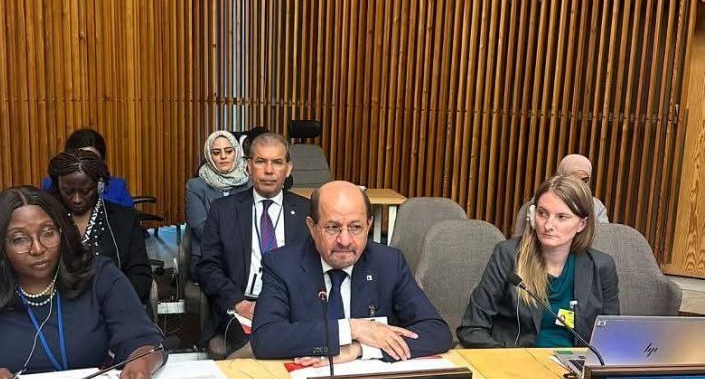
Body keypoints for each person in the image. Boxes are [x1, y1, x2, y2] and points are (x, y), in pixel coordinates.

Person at [0, 187, 164, 379]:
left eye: (48, 233)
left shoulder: (98, 275)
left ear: (62, 232)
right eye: (19, 239)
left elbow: (146, 341)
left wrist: (142, 363)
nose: (37, 249)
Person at [251, 181, 452, 363]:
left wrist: (360, 349)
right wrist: (352, 329)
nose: (345, 241)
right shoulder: (282, 264)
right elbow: (265, 339)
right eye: (333, 227)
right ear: (312, 227)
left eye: (356, 227)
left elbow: (437, 333)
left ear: (368, 226)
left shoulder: (388, 263)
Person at [457, 175, 619, 348]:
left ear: (582, 224)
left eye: (561, 217)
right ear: (533, 216)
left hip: (576, 362)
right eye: (542, 213)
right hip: (517, 359)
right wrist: (507, 358)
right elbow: (472, 328)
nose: (548, 225)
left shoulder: (601, 266)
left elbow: (610, 337)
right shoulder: (508, 255)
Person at [196, 132, 310, 355]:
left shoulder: (306, 211)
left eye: (277, 162)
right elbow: (207, 267)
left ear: (288, 169)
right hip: (241, 307)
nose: (269, 170)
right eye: (260, 161)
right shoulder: (224, 210)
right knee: (255, 351)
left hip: (292, 307)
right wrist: (239, 303)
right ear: (248, 166)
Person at [47, 149, 152, 304]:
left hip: (113, 304)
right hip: (60, 306)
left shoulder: (124, 219)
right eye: (68, 191)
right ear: (58, 185)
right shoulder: (47, 218)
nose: (77, 199)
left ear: (99, 186)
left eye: (85, 191)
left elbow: (140, 275)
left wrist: (113, 302)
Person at [185, 130, 250, 280]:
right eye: (216, 152)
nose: (223, 156)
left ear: (236, 152)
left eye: (228, 151)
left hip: (243, 256)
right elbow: (202, 229)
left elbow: (251, 227)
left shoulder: (249, 184)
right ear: (209, 155)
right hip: (206, 256)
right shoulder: (195, 186)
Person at [514, 154, 608, 235]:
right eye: (574, 178)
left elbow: (604, 239)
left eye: (584, 180)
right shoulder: (541, 201)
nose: (579, 184)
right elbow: (522, 240)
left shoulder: (596, 206)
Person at [41, 128, 134, 207]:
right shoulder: (51, 184)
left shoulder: (117, 187)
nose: (86, 165)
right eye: (81, 159)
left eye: (92, 160)